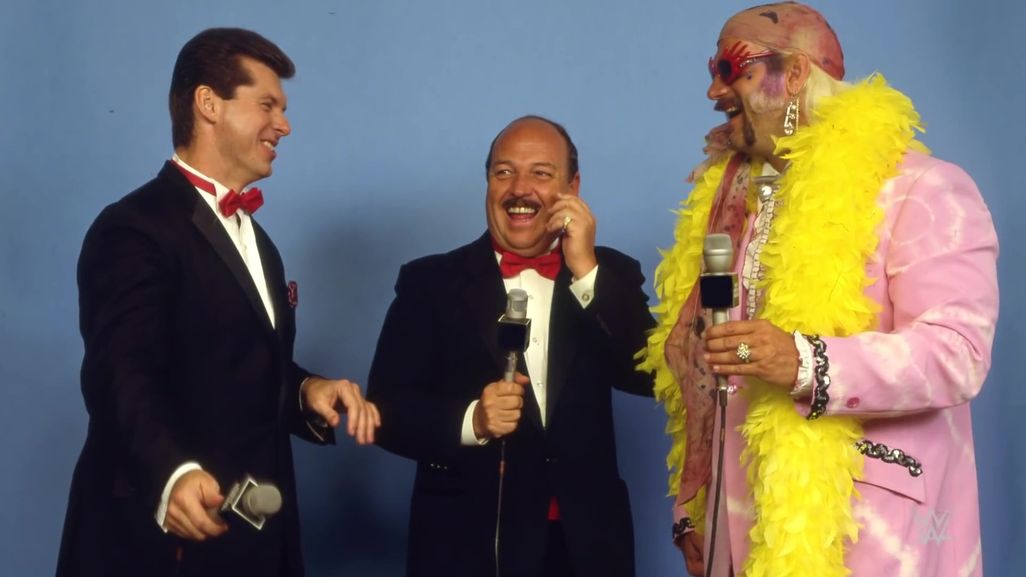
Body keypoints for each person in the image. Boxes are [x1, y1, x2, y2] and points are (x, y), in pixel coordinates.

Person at [638, 3, 999, 576]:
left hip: (871, 533)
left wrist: (806, 361)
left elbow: (959, 354)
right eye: (712, 69)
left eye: (732, 68)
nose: (714, 91)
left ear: (795, 74)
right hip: (741, 531)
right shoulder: (732, 207)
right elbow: (710, 378)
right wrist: (697, 511)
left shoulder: (924, 188)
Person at [56, 28, 380, 577]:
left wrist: (307, 391)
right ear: (208, 104)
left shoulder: (262, 244)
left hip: (257, 542)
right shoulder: (133, 228)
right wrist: (174, 474)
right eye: (268, 105)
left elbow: (239, 364)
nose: (284, 125)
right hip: (161, 545)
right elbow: (121, 373)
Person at [367, 115, 656, 577]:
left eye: (541, 173)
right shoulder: (429, 283)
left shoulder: (610, 275)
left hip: (587, 548)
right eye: (504, 172)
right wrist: (473, 421)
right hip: (467, 547)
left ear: (572, 187)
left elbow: (650, 375)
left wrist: (585, 270)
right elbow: (383, 412)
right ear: (488, 182)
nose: (520, 189)